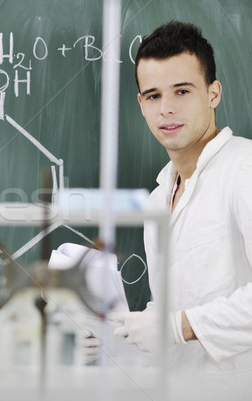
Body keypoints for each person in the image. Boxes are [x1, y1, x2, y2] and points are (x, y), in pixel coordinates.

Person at [111, 21, 252, 397]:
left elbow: (180, 323)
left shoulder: (245, 170)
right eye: (153, 95)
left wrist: (175, 327)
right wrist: (115, 332)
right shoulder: (159, 198)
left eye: (182, 91)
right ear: (141, 105)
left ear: (213, 93)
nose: (167, 109)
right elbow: (178, 303)